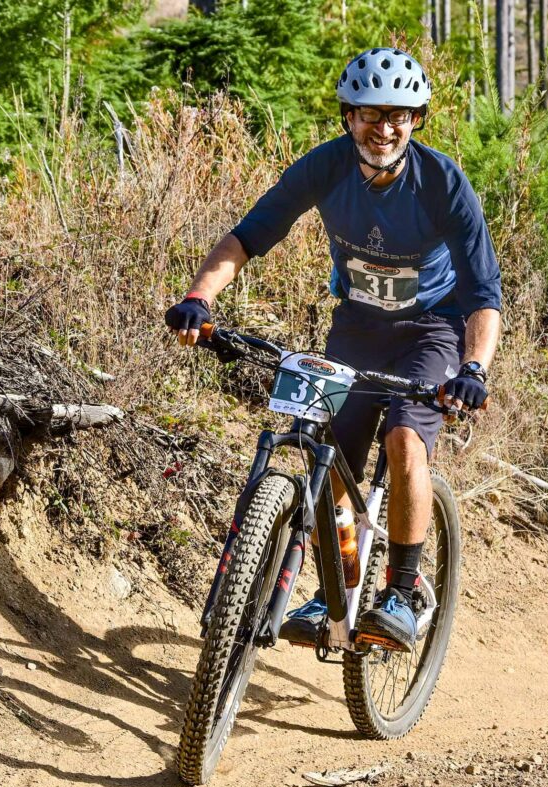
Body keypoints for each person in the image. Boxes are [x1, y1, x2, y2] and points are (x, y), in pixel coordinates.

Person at [166, 47, 502, 652]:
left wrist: (474, 367)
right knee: (331, 455)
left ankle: (401, 588)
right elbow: (249, 235)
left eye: (400, 115)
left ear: (416, 120)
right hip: (357, 326)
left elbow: (483, 294)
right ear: (349, 118)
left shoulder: (443, 184)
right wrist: (199, 298)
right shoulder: (325, 168)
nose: (386, 128)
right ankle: (334, 586)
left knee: (404, 439)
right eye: (372, 114)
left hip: (433, 329)